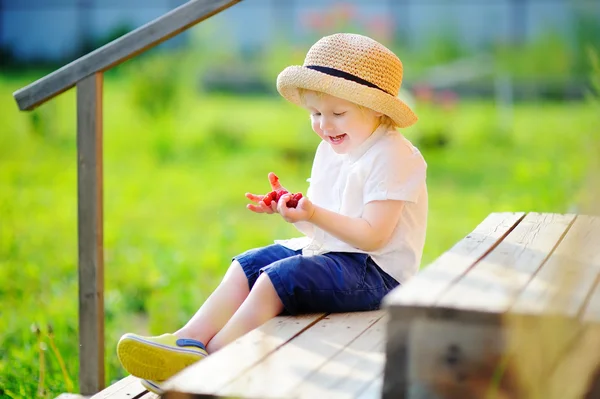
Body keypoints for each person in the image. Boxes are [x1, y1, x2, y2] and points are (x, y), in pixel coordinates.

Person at [116, 32, 428, 394]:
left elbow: (373, 236)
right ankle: (186, 341)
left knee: (278, 278)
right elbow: (321, 233)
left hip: (378, 275)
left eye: (337, 114)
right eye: (315, 114)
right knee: (248, 264)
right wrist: (293, 211)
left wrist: (313, 215)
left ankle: (209, 365)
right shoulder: (332, 148)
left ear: (376, 109)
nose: (324, 126)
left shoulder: (394, 156)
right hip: (336, 256)